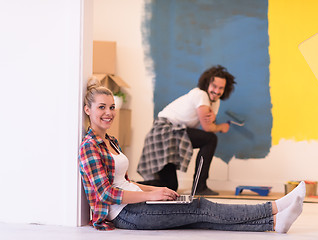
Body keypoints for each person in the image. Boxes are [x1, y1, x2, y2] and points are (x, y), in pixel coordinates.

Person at [78, 77, 305, 233]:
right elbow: (106, 194)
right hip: (126, 214)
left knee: (200, 217)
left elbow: (126, 182)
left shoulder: (111, 141)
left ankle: (274, 222)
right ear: (88, 110)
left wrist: (156, 190)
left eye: (112, 107)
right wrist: (152, 196)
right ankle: (273, 208)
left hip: (136, 202)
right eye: (101, 107)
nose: (109, 113)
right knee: (200, 207)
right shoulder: (90, 147)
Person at [137, 65, 236, 195]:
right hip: (163, 132)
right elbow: (208, 128)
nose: (217, 91)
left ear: (225, 89)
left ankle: (133, 185)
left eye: (221, 88)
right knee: (211, 139)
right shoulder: (201, 94)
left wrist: (213, 124)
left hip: (173, 134)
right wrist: (222, 127)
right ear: (207, 84)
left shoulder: (215, 102)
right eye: (214, 86)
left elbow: (209, 125)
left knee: (170, 186)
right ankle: (200, 187)